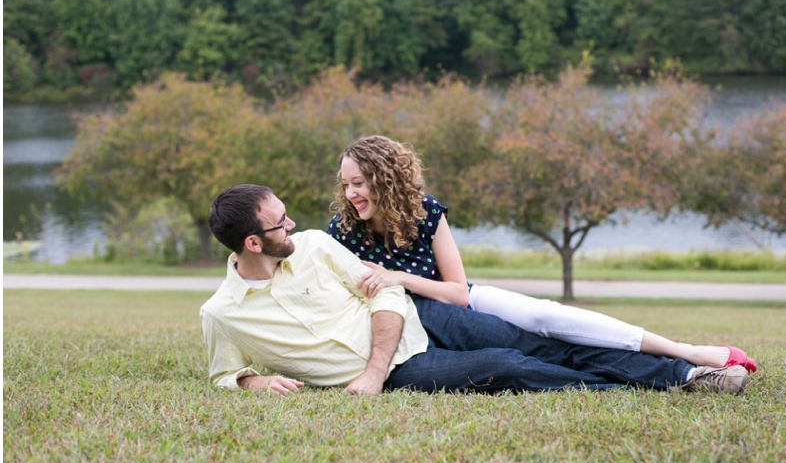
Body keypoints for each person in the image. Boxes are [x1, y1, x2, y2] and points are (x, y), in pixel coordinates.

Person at [200, 184, 750, 396]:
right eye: (279, 224)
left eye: (288, 215)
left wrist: (369, 371)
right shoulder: (223, 314)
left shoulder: (317, 246)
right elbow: (224, 373)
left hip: (419, 323)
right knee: (510, 366)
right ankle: (631, 389)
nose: (291, 225)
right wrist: (256, 382)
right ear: (252, 242)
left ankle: (686, 373)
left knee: (541, 341)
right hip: (403, 371)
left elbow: (387, 294)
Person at [328, 135, 757, 372]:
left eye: (360, 183)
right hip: (408, 326)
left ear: (385, 180)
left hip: (459, 301)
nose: (351, 194)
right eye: (347, 185)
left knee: (550, 318)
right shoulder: (343, 230)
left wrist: (397, 277)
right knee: (524, 352)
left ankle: (685, 352)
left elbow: (458, 291)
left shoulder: (426, 213)